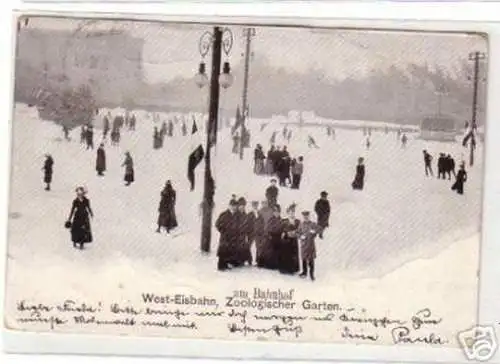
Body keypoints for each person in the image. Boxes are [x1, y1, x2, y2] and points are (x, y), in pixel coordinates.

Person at [215, 199, 240, 271]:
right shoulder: (223, 214)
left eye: (235, 206)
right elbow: (217, 224)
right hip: (225, 237)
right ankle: (220, 266)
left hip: (233, 237)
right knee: (223, 251)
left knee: (229, 252)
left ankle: (226, 265)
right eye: (232, 206)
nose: (233, 207)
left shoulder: (237, 215)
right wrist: (223, 231)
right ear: (229, 206)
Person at [278, 204, 300, 275]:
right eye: (290, 212)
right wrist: (285, 233)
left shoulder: (297, 221)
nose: (292, 213)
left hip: (294, 240)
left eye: (293, 212)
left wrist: (295, 233)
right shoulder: (284, 221)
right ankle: (285, 269)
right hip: (286, 241)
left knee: (293, 254)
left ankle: (292, 269)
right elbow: (280, 230)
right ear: (288, 213)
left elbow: (300, 230)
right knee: (286, 254)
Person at [298, 211, 319, 281]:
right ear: (303, 217)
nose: (305, 217)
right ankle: (304, 273)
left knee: (311, 261)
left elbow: (319, 229)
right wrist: (300, 236)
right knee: (304, 260)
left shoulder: (312, 224)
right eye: (304, 216)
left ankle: (312, 274)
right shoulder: (301, 224)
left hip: (310, 245)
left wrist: (314, 232)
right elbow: (298, 233)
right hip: (303, 245)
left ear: (309, 216)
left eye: (307, 216)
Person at [264, 204, 283, 270]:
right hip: (271, 236)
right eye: (275, 212)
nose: (276, 213)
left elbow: (282, 228)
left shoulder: (281, 219)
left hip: (279, 237)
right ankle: (271, 265)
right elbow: (266, 228)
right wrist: (269, 235)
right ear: (273, 212)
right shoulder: (271, 219)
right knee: (271, 251)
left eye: (278, 212)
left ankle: (277, 264)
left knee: (278, 251)